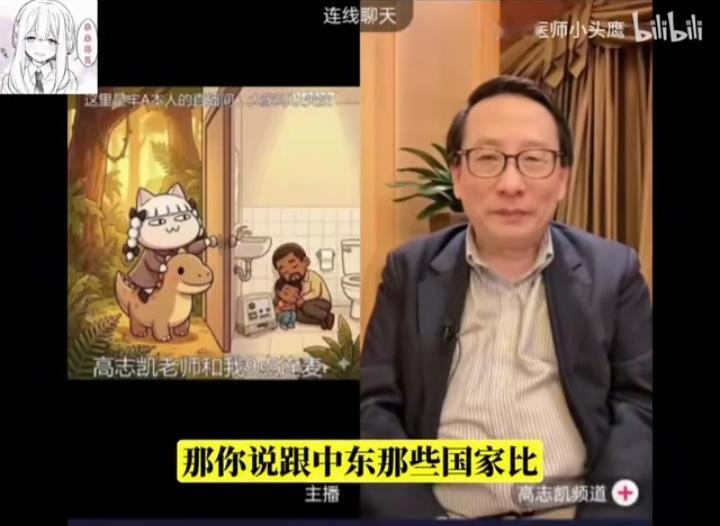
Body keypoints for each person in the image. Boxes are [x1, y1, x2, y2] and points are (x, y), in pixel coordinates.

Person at [360, 75, 652, 520]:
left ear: (563, 179)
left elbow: (640, 407)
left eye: (534, 159)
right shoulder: (409, 271)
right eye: (488, 159)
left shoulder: (614, 273)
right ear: (457, 176)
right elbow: (372, 409)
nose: (511, 183)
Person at [1, 0, 79, 94]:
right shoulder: (10, 82)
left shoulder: (69, 82)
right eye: (31, 38)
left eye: (51, 40)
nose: (40, 47)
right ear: (19, 37)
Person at [272, 243, 335, 330]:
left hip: (322, 303)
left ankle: (325, 315)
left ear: (305, 262)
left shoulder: (312, 276)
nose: (291, 273)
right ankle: (324, 320)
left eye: (294, 266)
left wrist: (303, 299)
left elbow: (316, 292)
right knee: (298, 316)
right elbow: (280, 294)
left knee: (306, 307)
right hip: (304, 305)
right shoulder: (292, 282)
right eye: (285, 272)